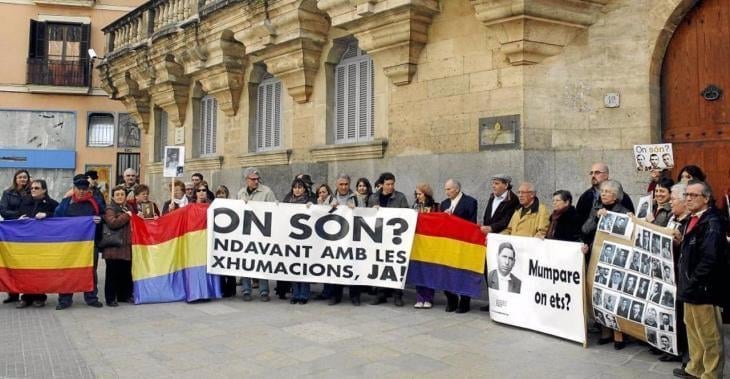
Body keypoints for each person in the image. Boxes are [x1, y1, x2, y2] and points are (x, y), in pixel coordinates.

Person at [673, 180, 726, 379]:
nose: (688, 198)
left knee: (709, 335)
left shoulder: (712, 221)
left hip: (703, 289)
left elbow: (710, 258)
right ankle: (695, 368)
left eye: (693, 195)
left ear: (706, 198)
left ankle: (711, 374)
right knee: (693, 332)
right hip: (690, 287)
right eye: (686, 195)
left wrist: (693, 279)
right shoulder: (692, 219)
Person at [54, 174, 104, 310]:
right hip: (69, 245)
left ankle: (91, 298)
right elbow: (56, 217)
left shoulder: (95, 202)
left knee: (90, 271)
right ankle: (65, 299)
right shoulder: (66, 202)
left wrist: (100, 219)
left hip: (89, 245)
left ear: (88, 189)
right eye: (79, 188)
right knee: (67, 271)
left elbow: (104, 215)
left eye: (84, 189)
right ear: (74, 189)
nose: (81, 191)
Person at [368, 172, 409, 307]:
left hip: (396, 237)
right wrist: (373, 211)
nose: (391, 187)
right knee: (379, 264)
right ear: (381, 184)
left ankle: (398, 295)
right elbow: (367, 217)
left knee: (396, 265)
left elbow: (406, 215)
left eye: (392, 184)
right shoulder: (374, 198)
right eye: (388, 184)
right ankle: (381, 294)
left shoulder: (400, 197)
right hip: (379, 236)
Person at [15, 179, 58, 308]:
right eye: (32, 188)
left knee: (40, 271)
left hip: (43, 244)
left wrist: (47, 214)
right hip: (27, 243)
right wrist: (19, 219)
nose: (33, 190)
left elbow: (60, 217)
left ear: (44, 190)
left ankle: (40, 297)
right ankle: (25, 297)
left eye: (36, 188)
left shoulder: (52, 204)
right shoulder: (25, 201)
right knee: (27, 271)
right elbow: (19, 214)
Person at [479, 174, 519, 312]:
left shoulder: (512, 200)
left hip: (502, 239)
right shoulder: (492, 197)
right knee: (489, 270)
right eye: (493, 183)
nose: (493, 186)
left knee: (503, 272)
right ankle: (493, 300)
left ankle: (503, 302)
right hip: (490, 239)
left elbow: (507, 220)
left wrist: (492, 228)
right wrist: (486, 226)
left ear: (506, 185)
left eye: (496, 183)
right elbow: (487, 215)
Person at [237, 167, 277, 302]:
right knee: (245, 261)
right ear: (246, 180)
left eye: (257, 179)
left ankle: (264, 291)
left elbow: (274, 208)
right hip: (246, 232)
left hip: (261, 233)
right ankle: (246, 290)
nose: (255, 181)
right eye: (253, 179)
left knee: (262, 261)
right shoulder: (241, 192)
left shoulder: (267, 191)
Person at [440, 179, 478, 313]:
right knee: (446, 272)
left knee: (464, 273)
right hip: (448, 244)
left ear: (457, 189)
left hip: (463, 244)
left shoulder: (470, 202)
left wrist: (453, 218)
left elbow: (471, 224)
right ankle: (451, 299)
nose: (447, 192)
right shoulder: (444, 204)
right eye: (445, 189)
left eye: (449, 189)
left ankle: (465, 301)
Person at [0, 169, 31, 304]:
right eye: (20, 177)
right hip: (11, 231)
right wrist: (18, 216)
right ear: (15, 179)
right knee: (11, 263)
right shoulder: (7, 193)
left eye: (25, 177)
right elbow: (3, 210)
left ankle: (27, 294)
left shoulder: (31, 192)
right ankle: (12, 294)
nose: (23, 179)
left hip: (27, 232)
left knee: (25, 263)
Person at [102, 185, 133, 307]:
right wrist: (127, 216)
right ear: (113, 197)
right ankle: (110, 298)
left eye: (122, 194)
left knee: (125, 273)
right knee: (112, 274)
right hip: (113, 247)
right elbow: (113, 223)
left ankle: (123, 296)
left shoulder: (128, 207)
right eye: (117, 195)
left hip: (125, 246)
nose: (120, 197)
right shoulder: (110, 209)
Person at [576, 163, 634, 228]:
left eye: (597, 173)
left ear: (606, 175)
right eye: (591, 173)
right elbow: (579, 223)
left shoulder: (623, 196)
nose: (593, 175)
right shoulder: (585, 197)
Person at [282, 178, 312, 304]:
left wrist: (313, 207)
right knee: (293, 268)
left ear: (304, 189)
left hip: (306, 240)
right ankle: (295, 293)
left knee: (304, 267)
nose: (297, 190)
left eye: (300, 187)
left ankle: (304, 294)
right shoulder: (287, 200)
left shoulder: (310, 201)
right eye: (295, 187)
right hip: (291, 239)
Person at [581, 179, 631, 249]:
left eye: (607, 192)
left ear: (615, 196)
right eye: (602, 191)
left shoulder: (624, 212)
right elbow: (585, 230)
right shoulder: (596, 208)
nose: (603, 194)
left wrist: (632, 220)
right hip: (595, 248)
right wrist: (596, 217)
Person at [412, 183, 438, 309]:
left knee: (429, 271)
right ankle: (419, 297)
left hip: (431, 243)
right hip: (417, 242)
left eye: (420, 194)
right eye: (416, 194)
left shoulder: (435, 207)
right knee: (419, 270)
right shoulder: (414, 206)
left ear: (426, 194)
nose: (418, 196)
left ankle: (429, 298)